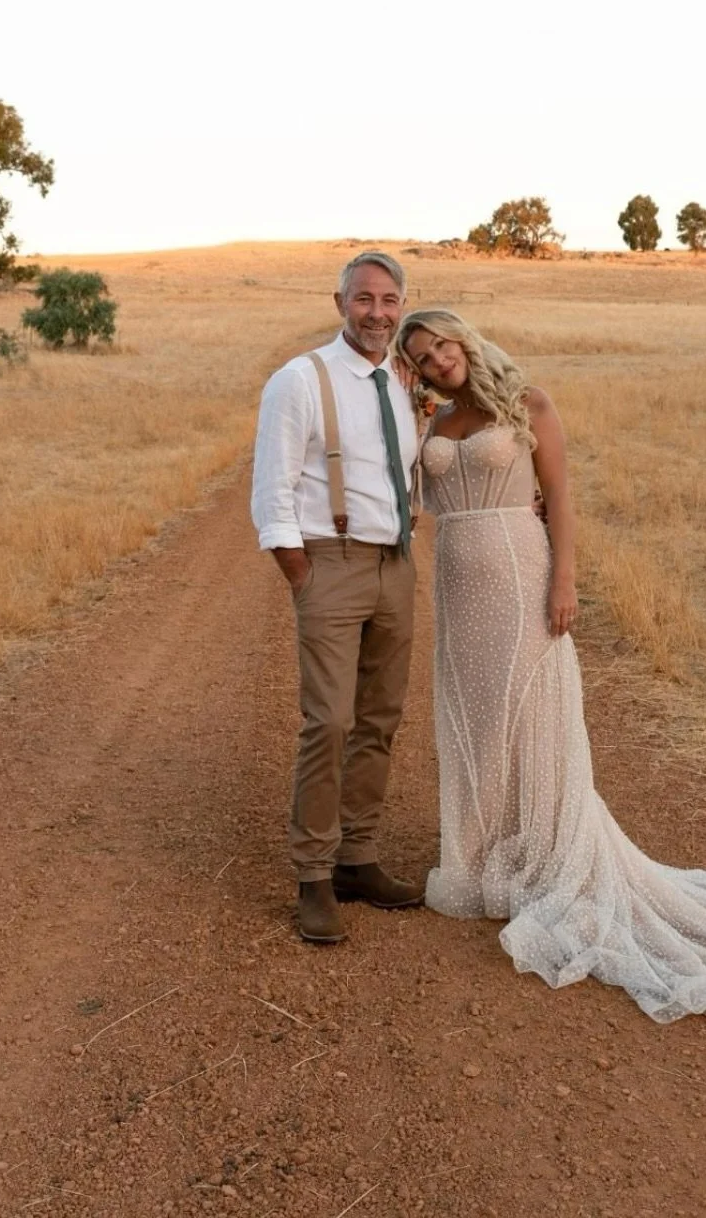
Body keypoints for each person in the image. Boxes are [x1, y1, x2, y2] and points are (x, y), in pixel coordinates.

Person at [394, 308, 706, 1022]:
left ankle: (547, 852)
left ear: (464, 341)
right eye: (422, 354)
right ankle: (478, 859)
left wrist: (563, 581)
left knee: (530, 712)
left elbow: (561, 501)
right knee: (474, 719)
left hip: (520, 574)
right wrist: (411, 424)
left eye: (442, 343)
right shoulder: (433, 426)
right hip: (458, 584)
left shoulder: (528, 404)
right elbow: (415, 507)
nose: (438, 359)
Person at [251, 252, 424, 943]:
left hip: (396, 564)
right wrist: (303, 574)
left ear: (401, 305)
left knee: (380, 719)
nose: (376, 313)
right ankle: (313, 875)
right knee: (329, 721)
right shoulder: (300, 380)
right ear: (339, 302)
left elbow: (408, 472)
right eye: (363, 299)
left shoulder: (405, 381)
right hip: (330, 562)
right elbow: (272, 491)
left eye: (388, 300)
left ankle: (358, 858)